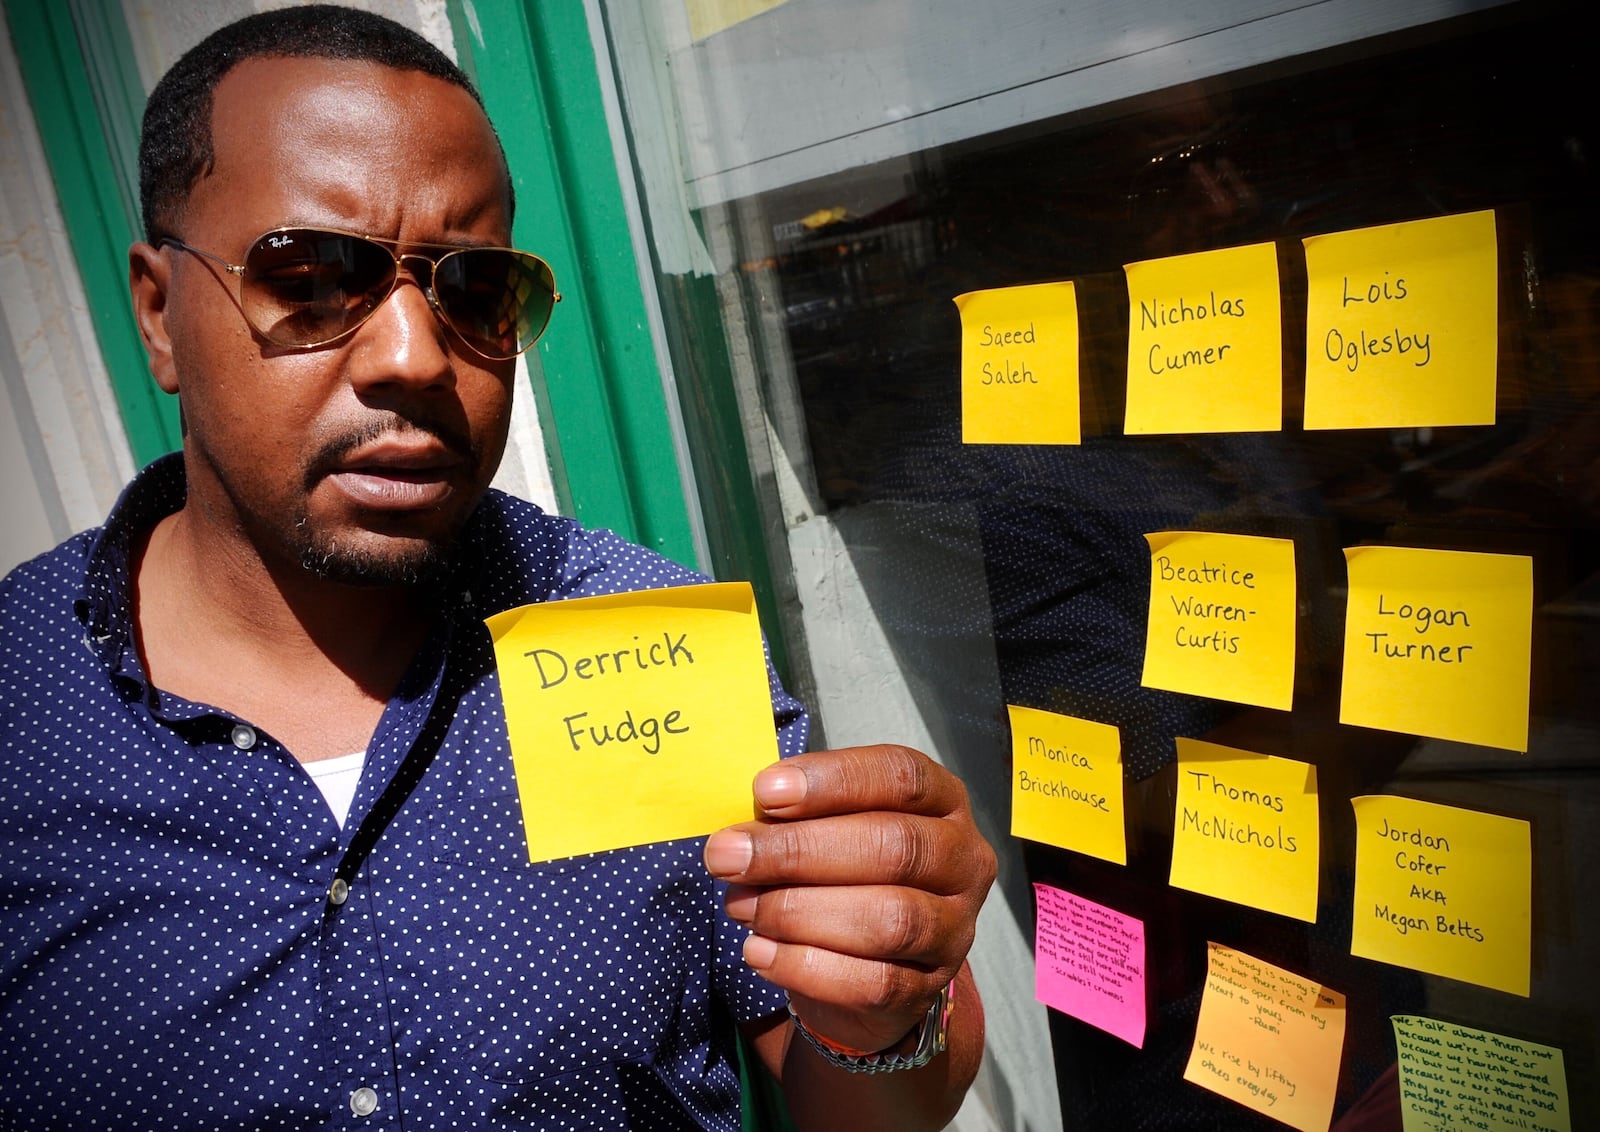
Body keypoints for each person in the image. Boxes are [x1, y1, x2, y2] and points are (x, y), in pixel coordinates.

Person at [0, 6, 996, 1130]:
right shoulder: (20, 706)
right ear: (159, 314)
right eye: (315, 276)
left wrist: (884, 1016)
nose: (416, 356)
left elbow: (865, 1098)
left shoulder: (636, 637)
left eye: (472, 290)